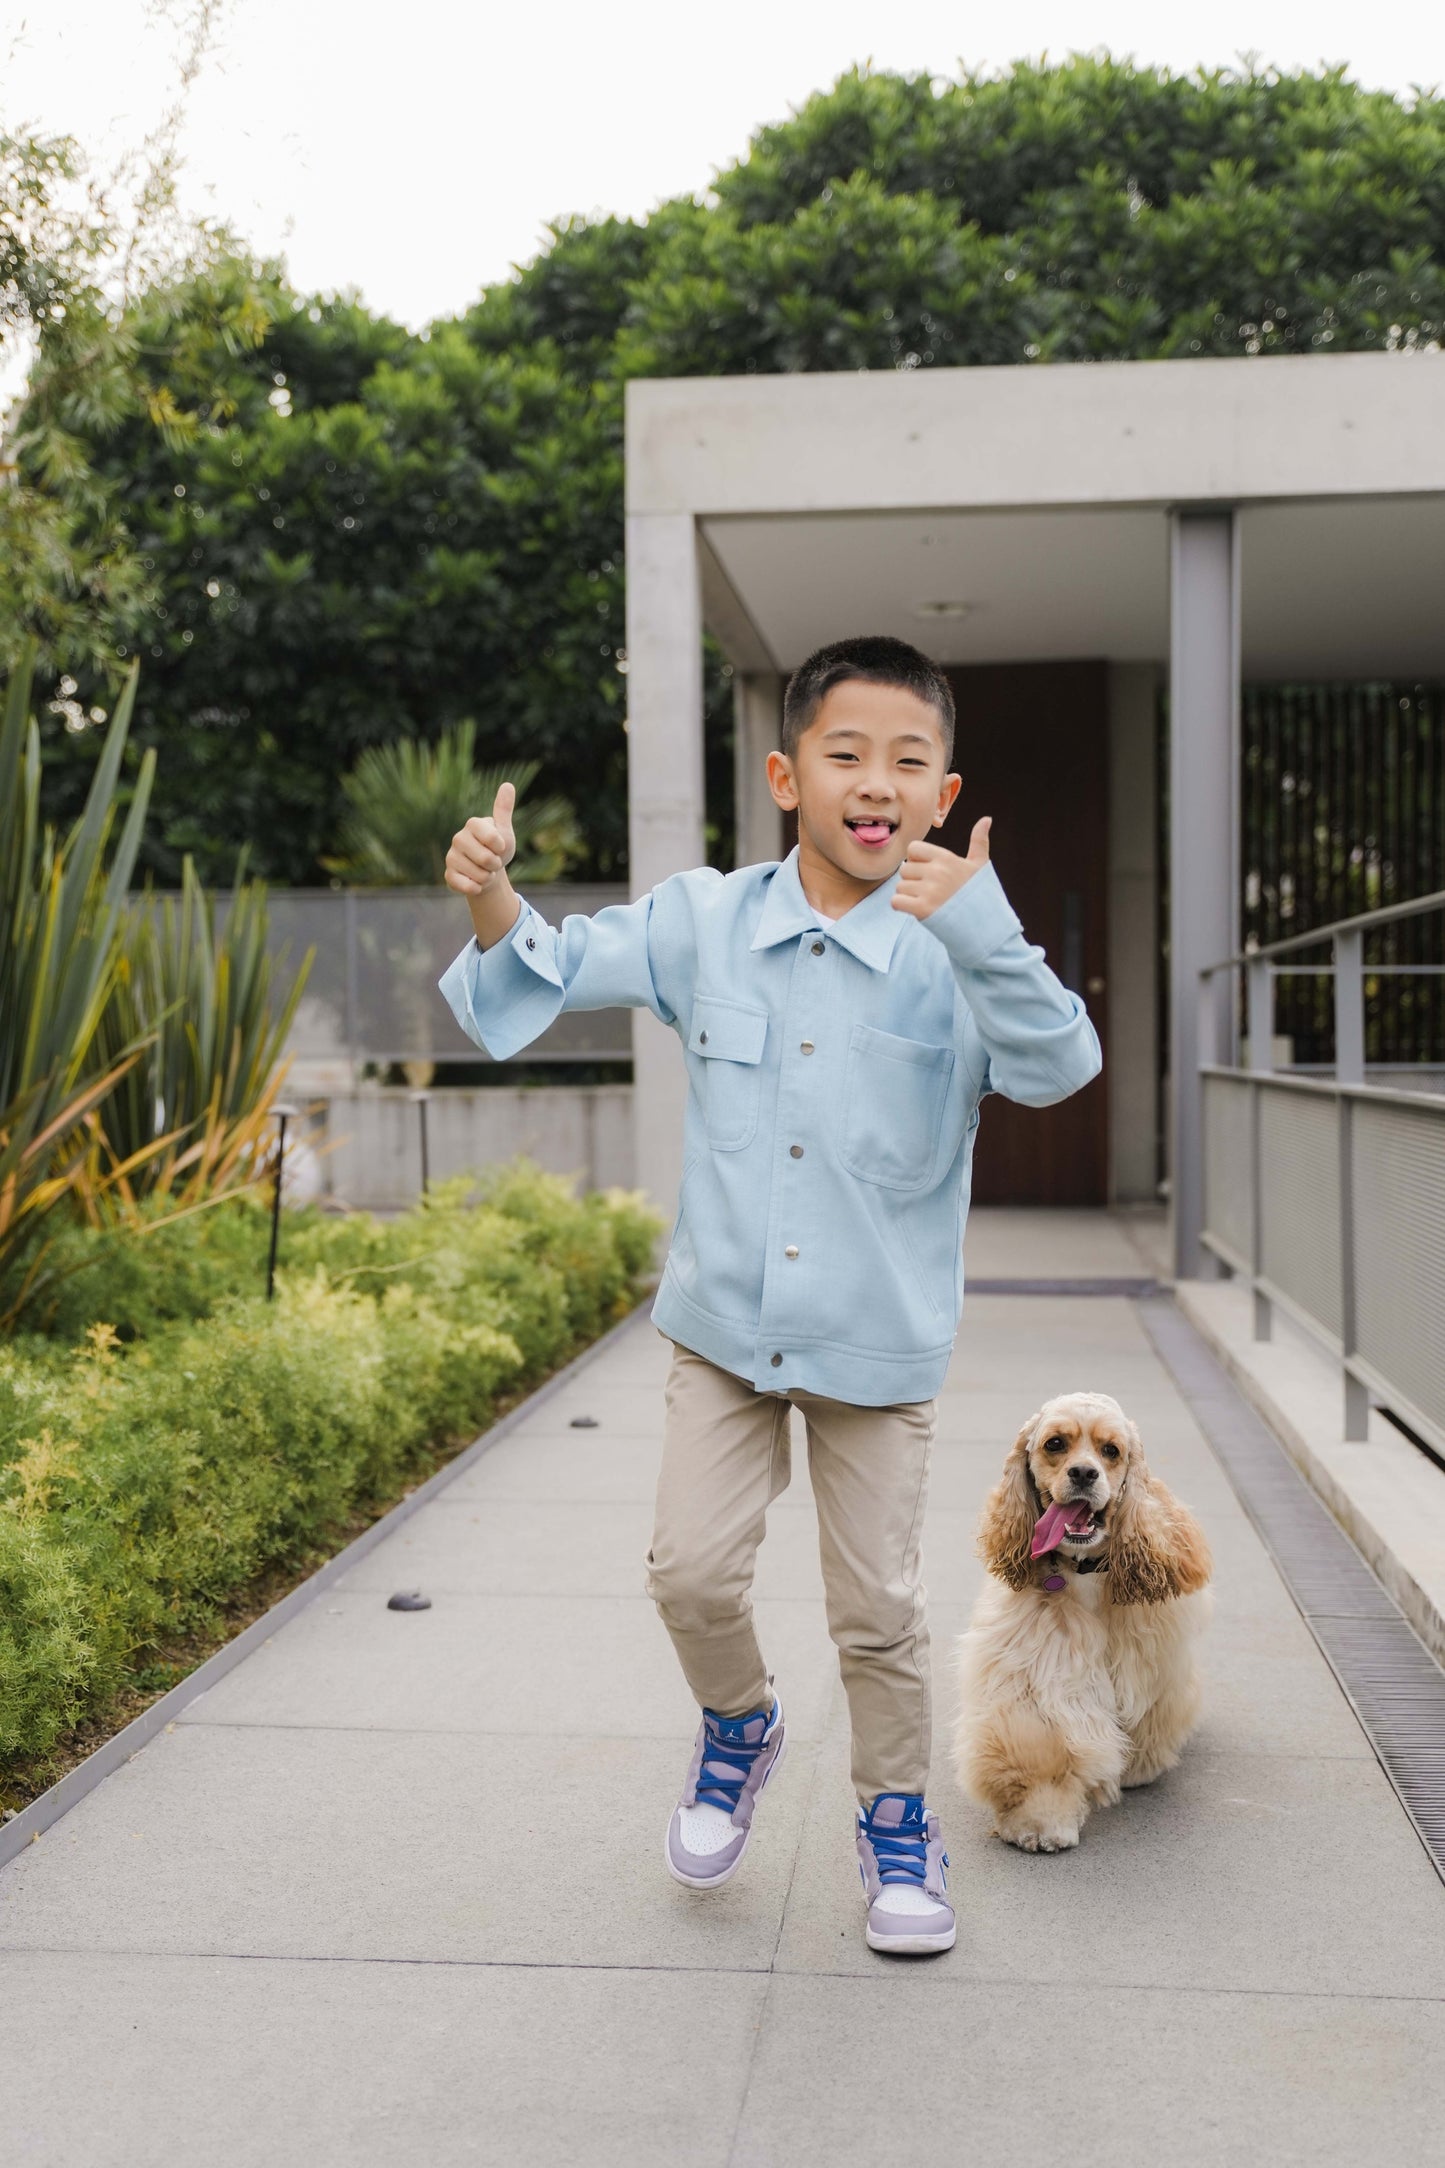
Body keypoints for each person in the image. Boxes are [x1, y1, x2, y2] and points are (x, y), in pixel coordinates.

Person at [439, 634, 1102, 1956]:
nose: (876, 782)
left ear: (939, 786)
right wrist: (488, 902)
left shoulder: (962, 951)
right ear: (785, 775)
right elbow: (551, 971)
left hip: (877, 1347)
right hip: (725, 1332)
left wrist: (978, 922)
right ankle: (739, 1725)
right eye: (845, 755)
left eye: (906, 761)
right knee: (687, 1574)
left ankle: (895, 1826)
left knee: (875, 1616)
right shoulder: (704, 921)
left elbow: (1058, 1062)